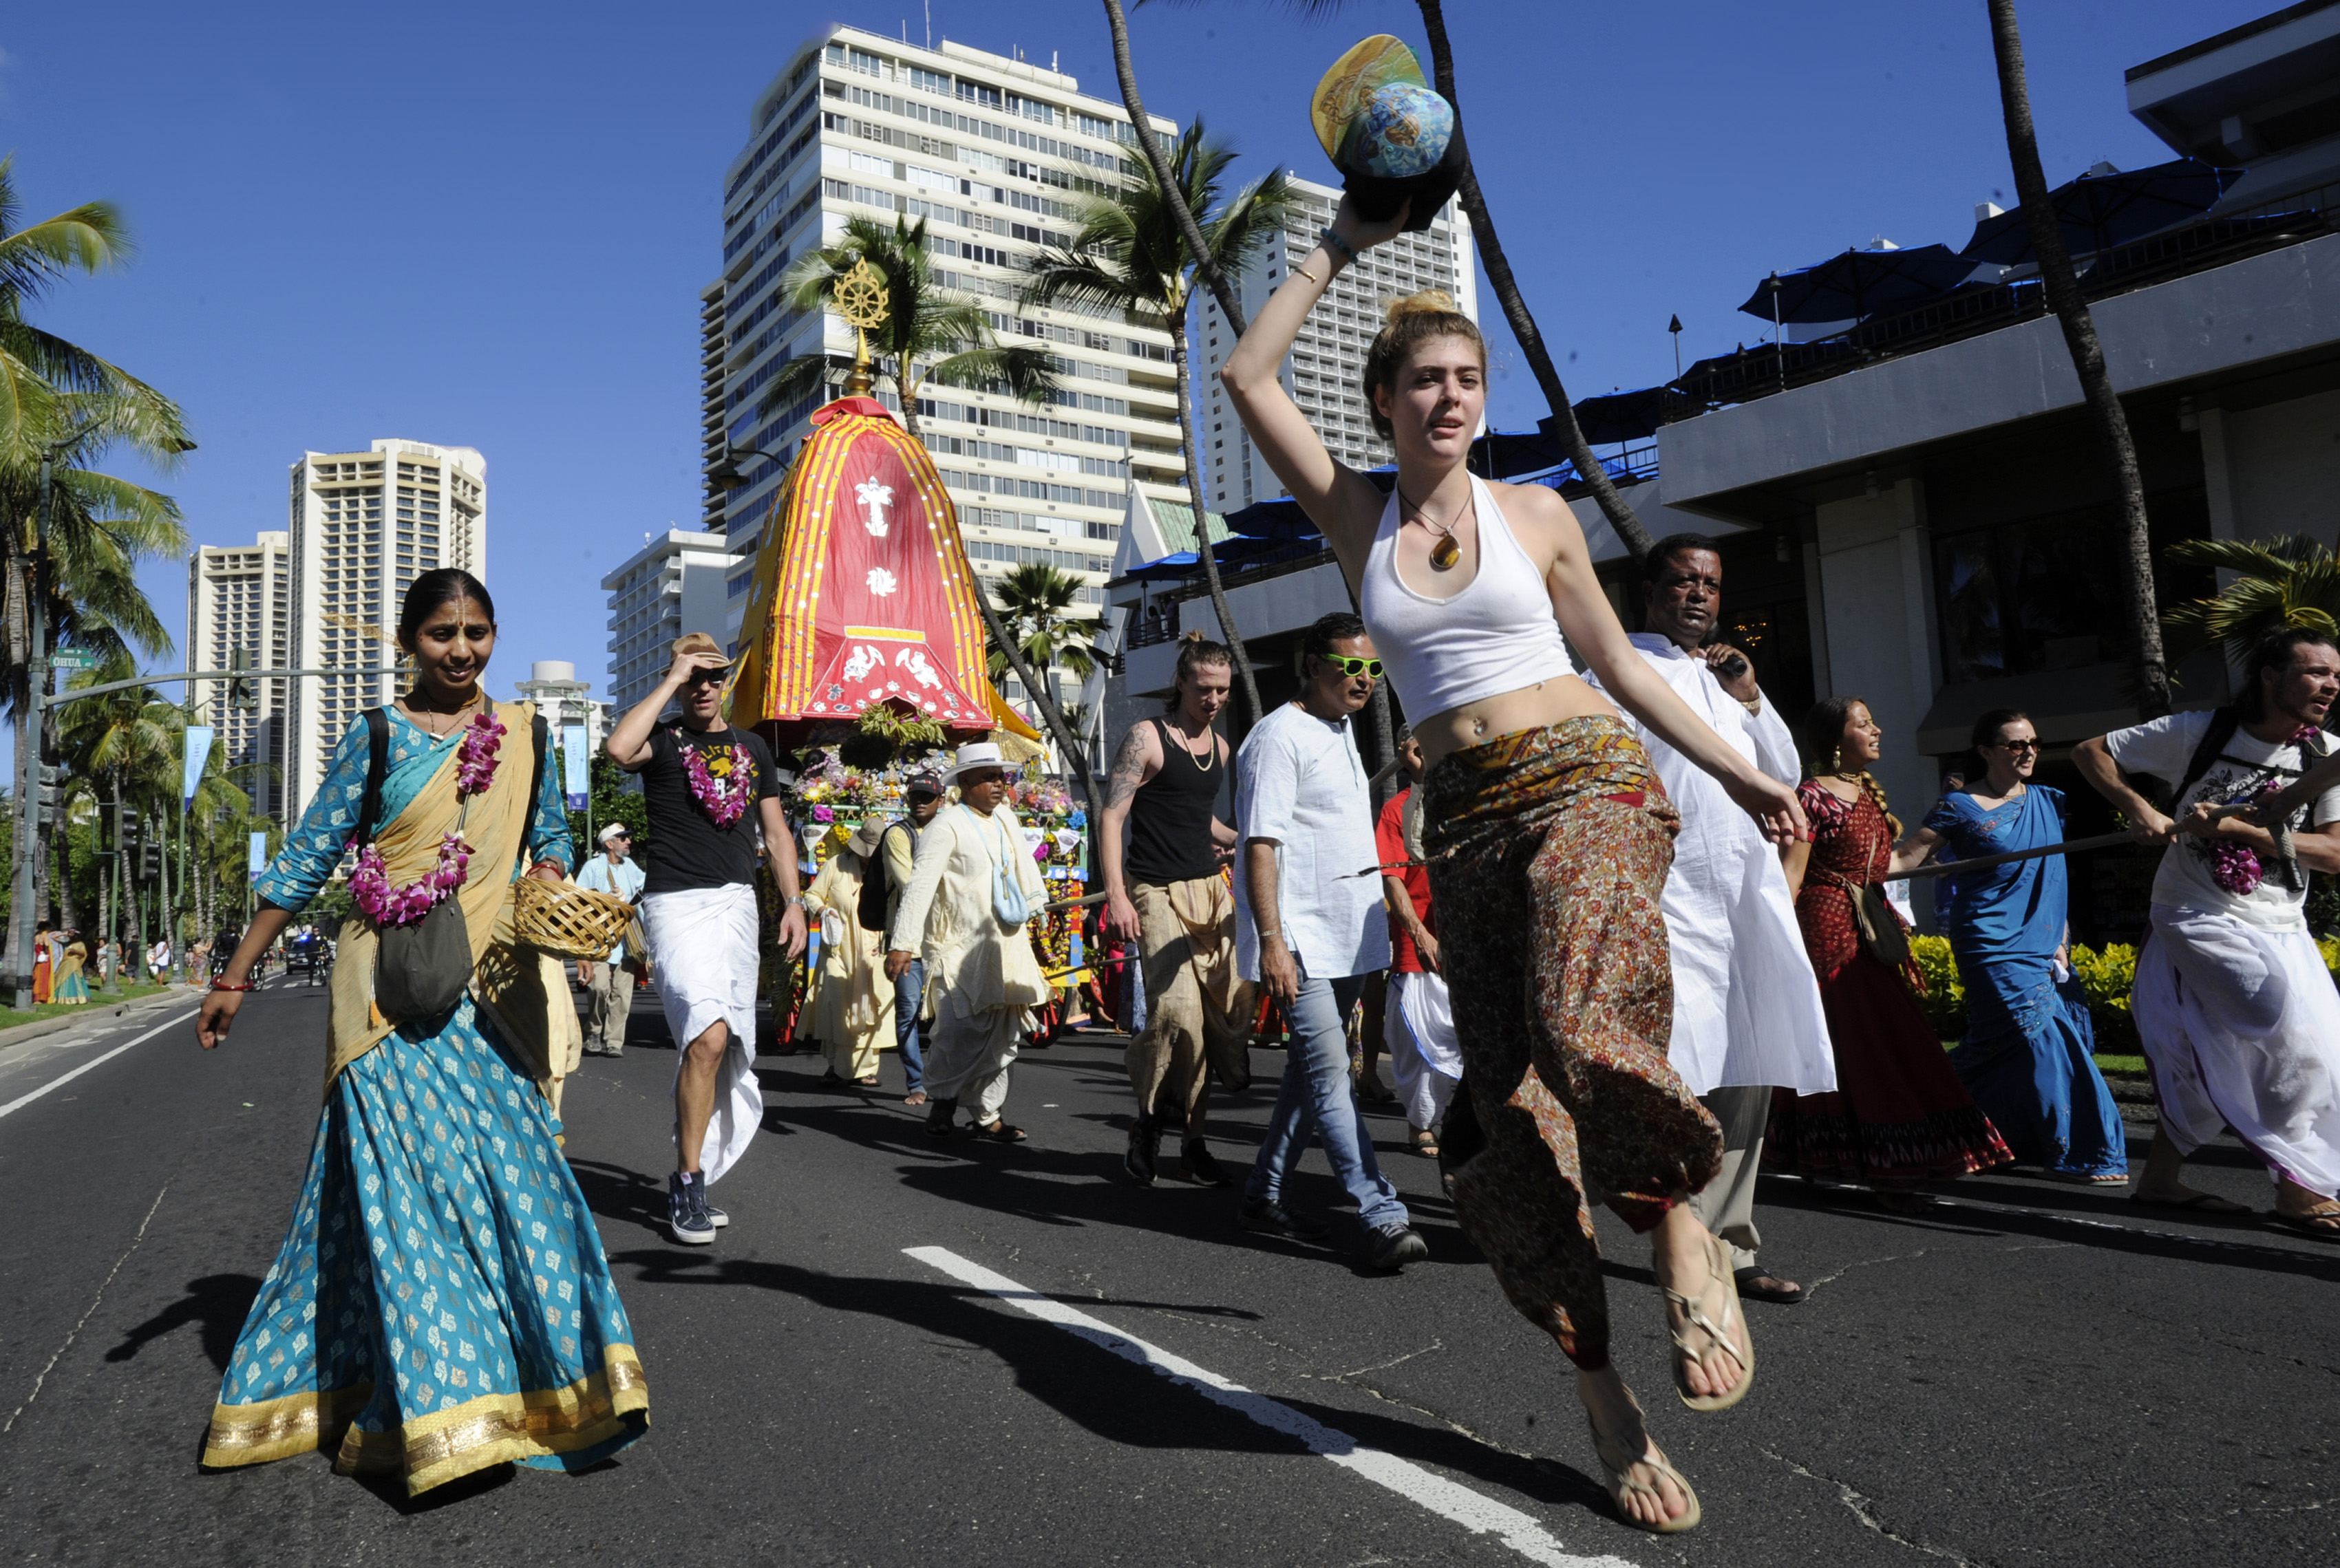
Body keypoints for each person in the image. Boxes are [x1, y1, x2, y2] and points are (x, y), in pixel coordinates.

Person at [1223, 206, 1809, 1533]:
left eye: (1468, 379)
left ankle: (1677, 1224)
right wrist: (1343, 241)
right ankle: (1602, 1387)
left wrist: (1740, 767)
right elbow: (1249, 378)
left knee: (1584, 1004)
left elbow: (1612, 664)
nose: (1450, 395)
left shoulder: (1535, 512)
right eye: (1425, 378)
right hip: (1470, 817)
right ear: (1381, 402)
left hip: (1592, 779)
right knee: (1506, 1117)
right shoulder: (1354, 512)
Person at [193, 568, 646, 1496]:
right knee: (413, 1193)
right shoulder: (375, 734)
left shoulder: (521, 733)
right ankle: (447, 1410)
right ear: (408, 640)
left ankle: (550, 1382)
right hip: (381, 994)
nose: (463, 647)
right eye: (442, 631)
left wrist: (554, 878)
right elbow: (310, 851)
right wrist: (236, 974)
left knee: (516, 1179)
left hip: (491, 990)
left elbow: (549, 833)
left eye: (478, 629)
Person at [1586, 535, 1839, 1307]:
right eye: (1683, 580)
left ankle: (1728, 1239)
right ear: (1648, 588)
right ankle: (1655, 1220)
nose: (1698, 594)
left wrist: (1752, 697)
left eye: (1711, 583)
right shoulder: (1612, 670)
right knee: (1674, 1068)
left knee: (1749, 1060)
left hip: (1744, 896)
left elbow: (1786, 775)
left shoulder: (1727, 679)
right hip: (1665, 896)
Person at [2074, 627, 2340, 1237]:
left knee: (2305, 1049)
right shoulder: (2201, 731)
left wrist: (2244, 833)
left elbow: (2332, 853)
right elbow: (2092, 751)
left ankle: (2160, 1179)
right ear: (2270, 675)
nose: (2330, 685)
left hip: (2282, 921)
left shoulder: (2326, 754)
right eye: (2315, 671)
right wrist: (2140, 808)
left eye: (2336, 676)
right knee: (2285, 1028)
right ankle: (2300, 1190)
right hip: (2195, 912)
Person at [1231, 614, 1427, 1270]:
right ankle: (1380, 1211)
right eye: (1350, 667)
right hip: (1302, 939)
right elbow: (1262, 844)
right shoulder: (1277, 738)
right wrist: (1273, 941)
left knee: (1306, 1074)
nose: (1364, 680)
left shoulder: (1338, 728)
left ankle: (1264, 1187)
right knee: (1330, 1072)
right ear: (1312, 666)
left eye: (1373, 669)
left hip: (1349, 935)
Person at [608, 630, 807, 1247]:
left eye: (712, 675)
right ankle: (689, 1179)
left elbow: (776, 835)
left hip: (737, 905)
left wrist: (795, 902)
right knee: (706, 1032)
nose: (702, 686)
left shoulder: (752, 748)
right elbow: (618, 748)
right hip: (675, 904)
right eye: (692, 676)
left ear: (726, 680)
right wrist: (670, 678)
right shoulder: (662, 740)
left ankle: (692, 1172)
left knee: (722, 1043)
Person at [1772, 698, 2013, 1196]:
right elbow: (1789, 877)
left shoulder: (1864, 794)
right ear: (1837, 741)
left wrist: (1950, 840)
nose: (1877, 730)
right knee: (1857, 1039)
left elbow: (1887, 867)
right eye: (1864, 724)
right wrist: (1776, 949)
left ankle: (1897, 1152)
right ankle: (1878, 1156)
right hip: (1826, 929)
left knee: (1883, 1035)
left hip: (1868, 925)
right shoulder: (1812, 797)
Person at [1909, 710, 2127, 1183]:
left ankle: (1931, 1120)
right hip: (1988, 940)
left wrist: (2062, 938)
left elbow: (2054, 876)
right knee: (2046, 1035)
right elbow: (1908, 856)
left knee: (1996, 1045)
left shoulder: (2047, 800)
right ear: (1986, 751)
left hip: (2041, 941)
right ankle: (2086, 1146)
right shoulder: (1959, 805)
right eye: (2014, 744)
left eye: (2033, 741)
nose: (2028, 750)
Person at [1099, 631, 1253, 1187]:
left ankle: (1194, 1141)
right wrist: (1118, 893)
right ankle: (1146, 1123)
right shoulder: (1148, 736)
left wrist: (1245, 838)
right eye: (1205, 688)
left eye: (1224, 690)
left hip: (1210, 890)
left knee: (1222, 1019)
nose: (1214, 699)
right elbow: (1113, 816)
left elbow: (1200, 820)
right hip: (1155, 889)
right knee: (1177, 1014)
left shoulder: (1221, 746)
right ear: (1182, 683)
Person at [885, 741, 1050, 1141]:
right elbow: (920, 887)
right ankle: (942, 1105)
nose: (999, 785)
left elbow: (1025, 869)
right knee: (957, 1034)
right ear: (964, 784)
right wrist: (902, 943)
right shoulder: (946, 825)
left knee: (1003, 1035)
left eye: (1001, 777)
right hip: (958, 950)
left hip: (1006, 945)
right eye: (989, 778)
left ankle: (988, 1115)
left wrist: (1038, 906)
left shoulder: (1007, 819)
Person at [1375, 735, 1458, 1158]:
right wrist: (1420, 934)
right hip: (1419, 945)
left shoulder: (1463, 802)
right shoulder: (1395, 811)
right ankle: (1421, 1122)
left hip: (1466, 941)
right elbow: (1392, 878)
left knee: (1464, 1042)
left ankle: (1460, 1127)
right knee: (1417, 1045)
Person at [804, 819, 897, 1088]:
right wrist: (824, 911)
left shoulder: (890, 868)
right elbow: (812, 896)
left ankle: (866, 1069)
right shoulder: (836, 864)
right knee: (836, 1003)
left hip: (874, 949)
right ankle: (835, 1065)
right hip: (838, 949)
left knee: (871, 1006)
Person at [882, 770, 944, 1106]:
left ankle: (946, 1079)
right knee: (907, 1011)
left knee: (948, 1014)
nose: (919, 803)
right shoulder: (898, 835)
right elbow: (911, 885)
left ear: (942, 800)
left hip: (943, 936)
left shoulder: (949, 831)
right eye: (915, 797)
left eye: (927, 797)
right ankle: (917, 1082)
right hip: (908, 941)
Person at [575, 823, 646, 1057]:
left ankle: (614, 1042)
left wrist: (631, 900)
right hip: (600, 939)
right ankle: (594, 1030)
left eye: (628, 837)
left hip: (627, 938)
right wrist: (604, 900)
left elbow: (645, 886)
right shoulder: (593, 867)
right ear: (609, 844)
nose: (628, 842)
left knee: (623, 995)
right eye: (623, 838)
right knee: (599, 987)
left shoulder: (630, 866)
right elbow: (580, 897)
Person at [52, 932, 89, 1005]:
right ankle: (60, 998)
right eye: (70, 934)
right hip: (65, 964)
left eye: (72, 934)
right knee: (62, 978)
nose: (70, 936)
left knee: (73, 979)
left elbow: (83, 954)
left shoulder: (80, 944)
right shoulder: (67, 943)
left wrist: (75, 951)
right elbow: (54, 938)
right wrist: (64, 934)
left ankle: (76, 998)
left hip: (74, 964)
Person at [32, 927, 52, 1004]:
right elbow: (46, 946)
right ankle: (42, 998)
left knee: (37, 979)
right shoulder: (45, 936)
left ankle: (35, 997)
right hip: (44, 961)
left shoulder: (36, 936)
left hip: (38, 960)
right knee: (43, 979)